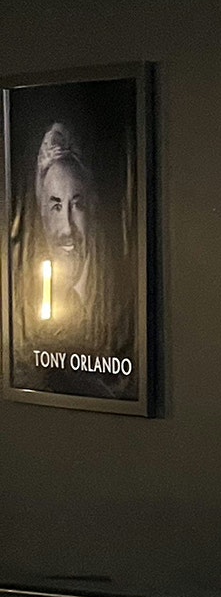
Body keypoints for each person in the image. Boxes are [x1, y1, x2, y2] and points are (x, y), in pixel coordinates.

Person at [9, 120, 135, 399]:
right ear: (41, 213)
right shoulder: (20, 308)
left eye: (76, 204)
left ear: (92, 207)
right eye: (55, 206)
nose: (67, 227)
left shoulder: (125, 300)